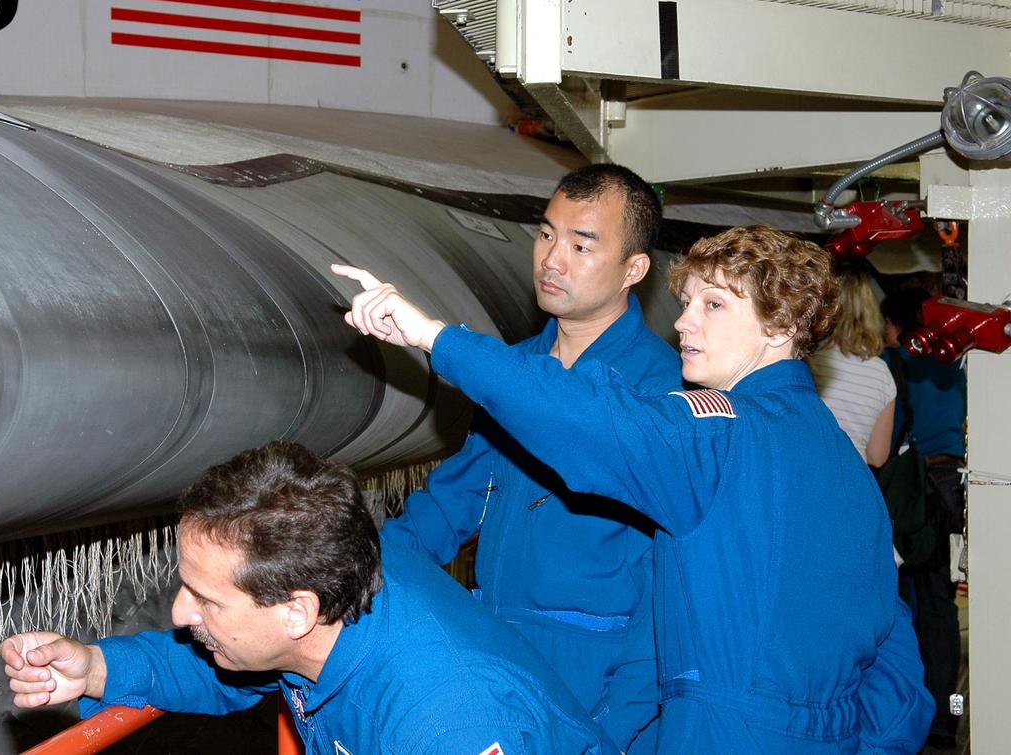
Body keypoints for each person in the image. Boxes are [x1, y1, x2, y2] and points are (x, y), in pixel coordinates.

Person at [334, 224, 932, 753]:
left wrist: (435, 337)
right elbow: (893, 654)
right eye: (687, 301)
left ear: (781, 327)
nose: (682, 321)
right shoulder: (843, 461)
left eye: (714, 305)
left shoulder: (722, 436)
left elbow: (588, 419)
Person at [0, 441, 613, 755]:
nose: (181, 613)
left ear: (298, 610)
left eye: (206, 600)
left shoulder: (450, 724)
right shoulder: (340, 582)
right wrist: (96, 668)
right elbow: (232, 667)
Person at [379, 163, 680, 752]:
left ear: (634, 269)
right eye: (546, 234)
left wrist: (617, 728)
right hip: (502, 660)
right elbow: (453, 503)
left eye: (581, 243)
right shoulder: (512, 373)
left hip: (601, 682)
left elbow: (667, 595)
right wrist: (350, 570)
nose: (552, 259)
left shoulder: (661, 394)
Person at [881, 288, 967, 751]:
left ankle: (904, 713)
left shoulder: (899, 365)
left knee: (900, 602)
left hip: (913, 487)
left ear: (897, 322)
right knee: (941, 606)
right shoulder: (954, 359)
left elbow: (888, 440)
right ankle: (946, 718)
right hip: (952, 481)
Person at [807, 266, 896, 467]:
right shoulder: (882, 373)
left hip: (807, 473)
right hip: (852, 485)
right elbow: (877, 456)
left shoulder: (809, 359)